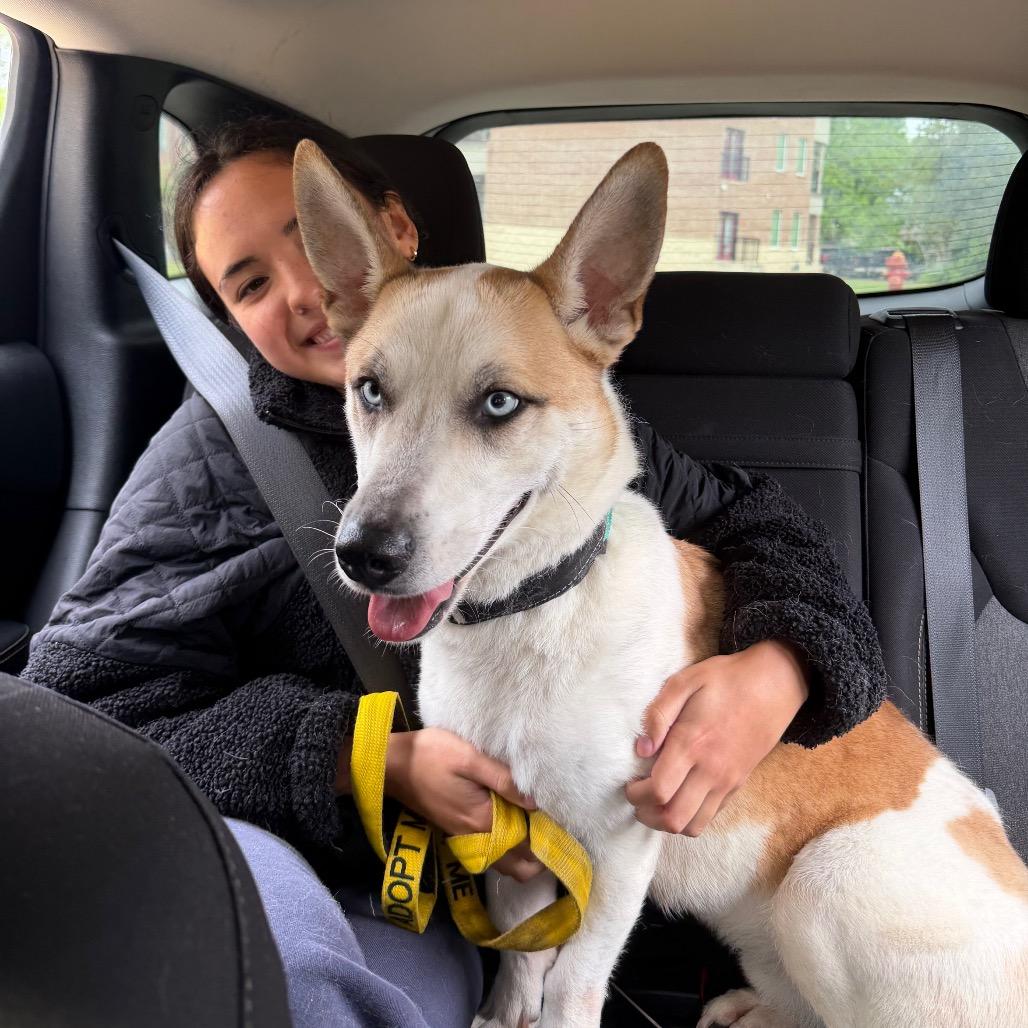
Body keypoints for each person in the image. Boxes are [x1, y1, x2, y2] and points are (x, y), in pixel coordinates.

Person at [23, 115, 886, 1027]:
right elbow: (78, 703)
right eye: (250, 283)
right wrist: (367, 762)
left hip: (500, 892)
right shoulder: (204, 467)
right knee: (297, 987)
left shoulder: (567, 417)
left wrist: (782, 666)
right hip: (323, 857)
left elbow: (757, 523)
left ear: (392, 231)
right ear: (227, 318)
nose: (312, 289)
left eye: (308, 244)